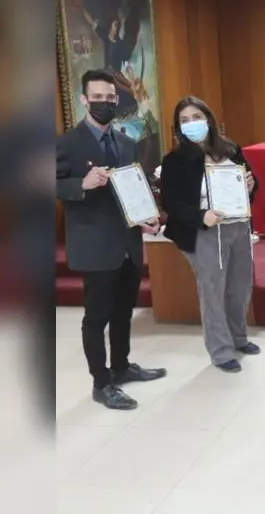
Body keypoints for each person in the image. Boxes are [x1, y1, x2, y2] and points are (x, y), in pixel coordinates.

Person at [56, 69, 166, 410]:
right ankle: (101, 383)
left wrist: (147, 216)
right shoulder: (66, 143)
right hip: (96, 246)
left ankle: (121, 366)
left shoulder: (127, 143)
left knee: (123, 312)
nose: (103, 103)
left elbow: (132, 189)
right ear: (84, 100)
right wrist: (81, 184)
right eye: (97, 97)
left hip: (128, 243)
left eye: (109, 98)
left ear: (116, 100)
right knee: (97, 317)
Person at [159, 96, 260, 373]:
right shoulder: (174, 161)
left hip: (238, 227)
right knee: (213, 291)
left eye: (196, 117)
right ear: (178, 127)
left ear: (208, 120)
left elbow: (251, 183)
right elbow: (171, 204)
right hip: (204, 231)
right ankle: (220, 351)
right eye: (184, 120)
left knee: (239, 287)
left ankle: (239, 338)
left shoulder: (231, 149)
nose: (191, 123)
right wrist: (201, 216)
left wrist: (251, 185)